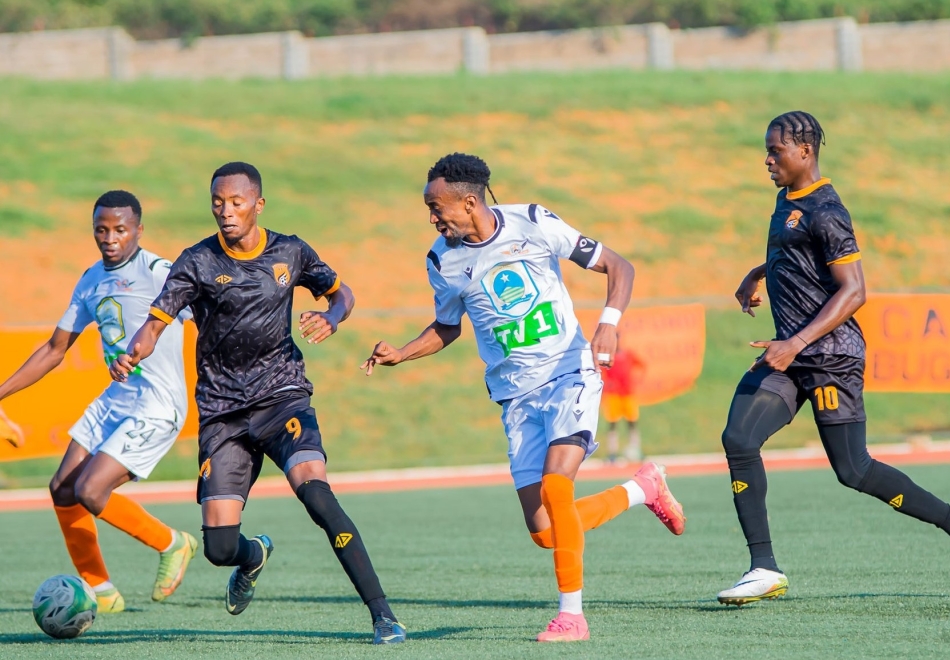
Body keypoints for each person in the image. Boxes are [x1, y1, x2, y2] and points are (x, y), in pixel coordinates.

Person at [362, 153, 686, 643]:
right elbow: (448, 326)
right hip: (516, 398)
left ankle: (572, 617)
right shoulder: (441, 259)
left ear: (469, 202)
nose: (432, 217)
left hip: (567, 373)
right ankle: (643, 488)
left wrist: (608, 325)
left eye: (436, 207)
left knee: (559, 486)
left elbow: (619, 266)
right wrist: (403, 353)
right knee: (546, 532)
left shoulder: (533, 223)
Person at [110, 162, 405, 645]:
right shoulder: (197, 262)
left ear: (258, 204)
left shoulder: (291, 250)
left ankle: (383, 615)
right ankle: (253, 556)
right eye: (217, 203)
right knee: (219, 548)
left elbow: (341, 292)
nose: (226, 212)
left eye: (236, 202)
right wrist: (131, 354)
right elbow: (155, 324)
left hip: (281, 397)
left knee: (316, 494)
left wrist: (333, 315)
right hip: (223, 412)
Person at [717, 111, 950, 606]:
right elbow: (795, 253)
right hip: (792, 353)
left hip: (829, 358)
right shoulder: (787, 200)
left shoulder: (827, 210)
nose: (768, 159)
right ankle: (763, 568)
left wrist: (795, 343)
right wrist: (756, 273)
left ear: (805, 152)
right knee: (738, 437)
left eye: (775, 151)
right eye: (767, 150)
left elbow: (855, 290)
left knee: (854, 470)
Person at [0, 190, 198, 613]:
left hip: (158, 404)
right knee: (62, 488)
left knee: (91, 490)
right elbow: (55, 350)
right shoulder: (91, 279)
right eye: (101, 230)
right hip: (117, 399)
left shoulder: (161, 272)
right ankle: (102, 592)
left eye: (120, 230)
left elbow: (213, 318)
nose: (110, 238)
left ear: (139, 231)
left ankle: (173, 543)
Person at [601, 333, 646, 463]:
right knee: (612, 424)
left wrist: (637, 381)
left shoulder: (628, 355)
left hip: (628, 394)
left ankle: (636, 449)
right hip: (613, 395)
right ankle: (612, 452)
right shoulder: (608, 357)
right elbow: (600, 372)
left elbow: (642, 366)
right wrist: (606, 383)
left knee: (632, 422)